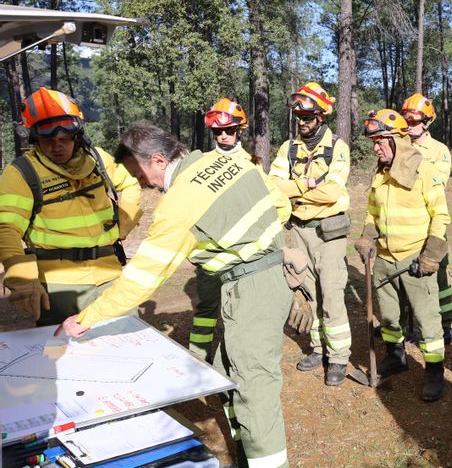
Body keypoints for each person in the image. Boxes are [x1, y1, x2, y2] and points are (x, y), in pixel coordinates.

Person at [56, 124, 295, 468]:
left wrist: (87, 317)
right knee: (226, 368)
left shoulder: (179, 203)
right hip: (265, 275)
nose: (140, 182)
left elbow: (143, 278)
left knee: (253, 388)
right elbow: (280, 205)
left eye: (139, 173)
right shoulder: (230, 161)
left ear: (157, 159)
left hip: (251, 286)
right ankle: (246, 452)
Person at [0, 87, 141, 326]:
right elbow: (7, 227)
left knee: (130, 342)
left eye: (64, 139)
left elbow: (130, 183)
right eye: (48, 140)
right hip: (58, 285)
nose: (57, 146)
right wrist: (22, 279)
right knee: (65, 355)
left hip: (110, 274)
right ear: (34, 138)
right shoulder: (22, 173)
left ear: (76, 135)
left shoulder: (97, 159)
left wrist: (123, 225)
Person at [354, 109, 451, 401]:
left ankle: (434, 370)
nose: (375, 147)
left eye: (381, 140)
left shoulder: (423, 170)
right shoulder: (380, 173)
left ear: (398, 140)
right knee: (389, 316)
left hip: (415, 258)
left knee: (426, 318)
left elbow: (440, 216)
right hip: (383, 258)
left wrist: (431, 255)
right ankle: (395, 357)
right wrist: (367, 235)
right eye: (374, 141)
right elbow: (372, 212)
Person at [188, 98, 291, 362]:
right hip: (212, 254)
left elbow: (279, 206)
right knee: (206, 308)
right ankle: (197, 358)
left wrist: (261, 240)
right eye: (218, 132)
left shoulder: (251, 166)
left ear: (239, 131)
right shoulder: (200, 164)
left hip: (244, 259)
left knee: (241, 313)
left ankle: (232, 362)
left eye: (229, 130)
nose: (223, 136)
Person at [269, 82, 353, 386]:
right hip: (300, 230)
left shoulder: (337, 147)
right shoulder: (288, 148)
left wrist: (295, 190)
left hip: (328, 231)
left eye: (308, 117)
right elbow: (273, 184)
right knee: (310, 292)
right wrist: (309, 186)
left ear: (322, 116)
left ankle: (339, 357)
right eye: (298, 118)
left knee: (331, 294)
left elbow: (332, 191)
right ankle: (319, 348)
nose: (302, 123)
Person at [400, 92, 452, 344]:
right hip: (405, 223)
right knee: (405, 272)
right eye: (406, 121)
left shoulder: (439, 151)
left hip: (431, 221)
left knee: (438, 274)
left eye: (414, 121)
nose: (409, 126)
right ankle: (406, 324)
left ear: (426, 122)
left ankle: (446, 324)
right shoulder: (398, 145)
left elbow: (437, 184)